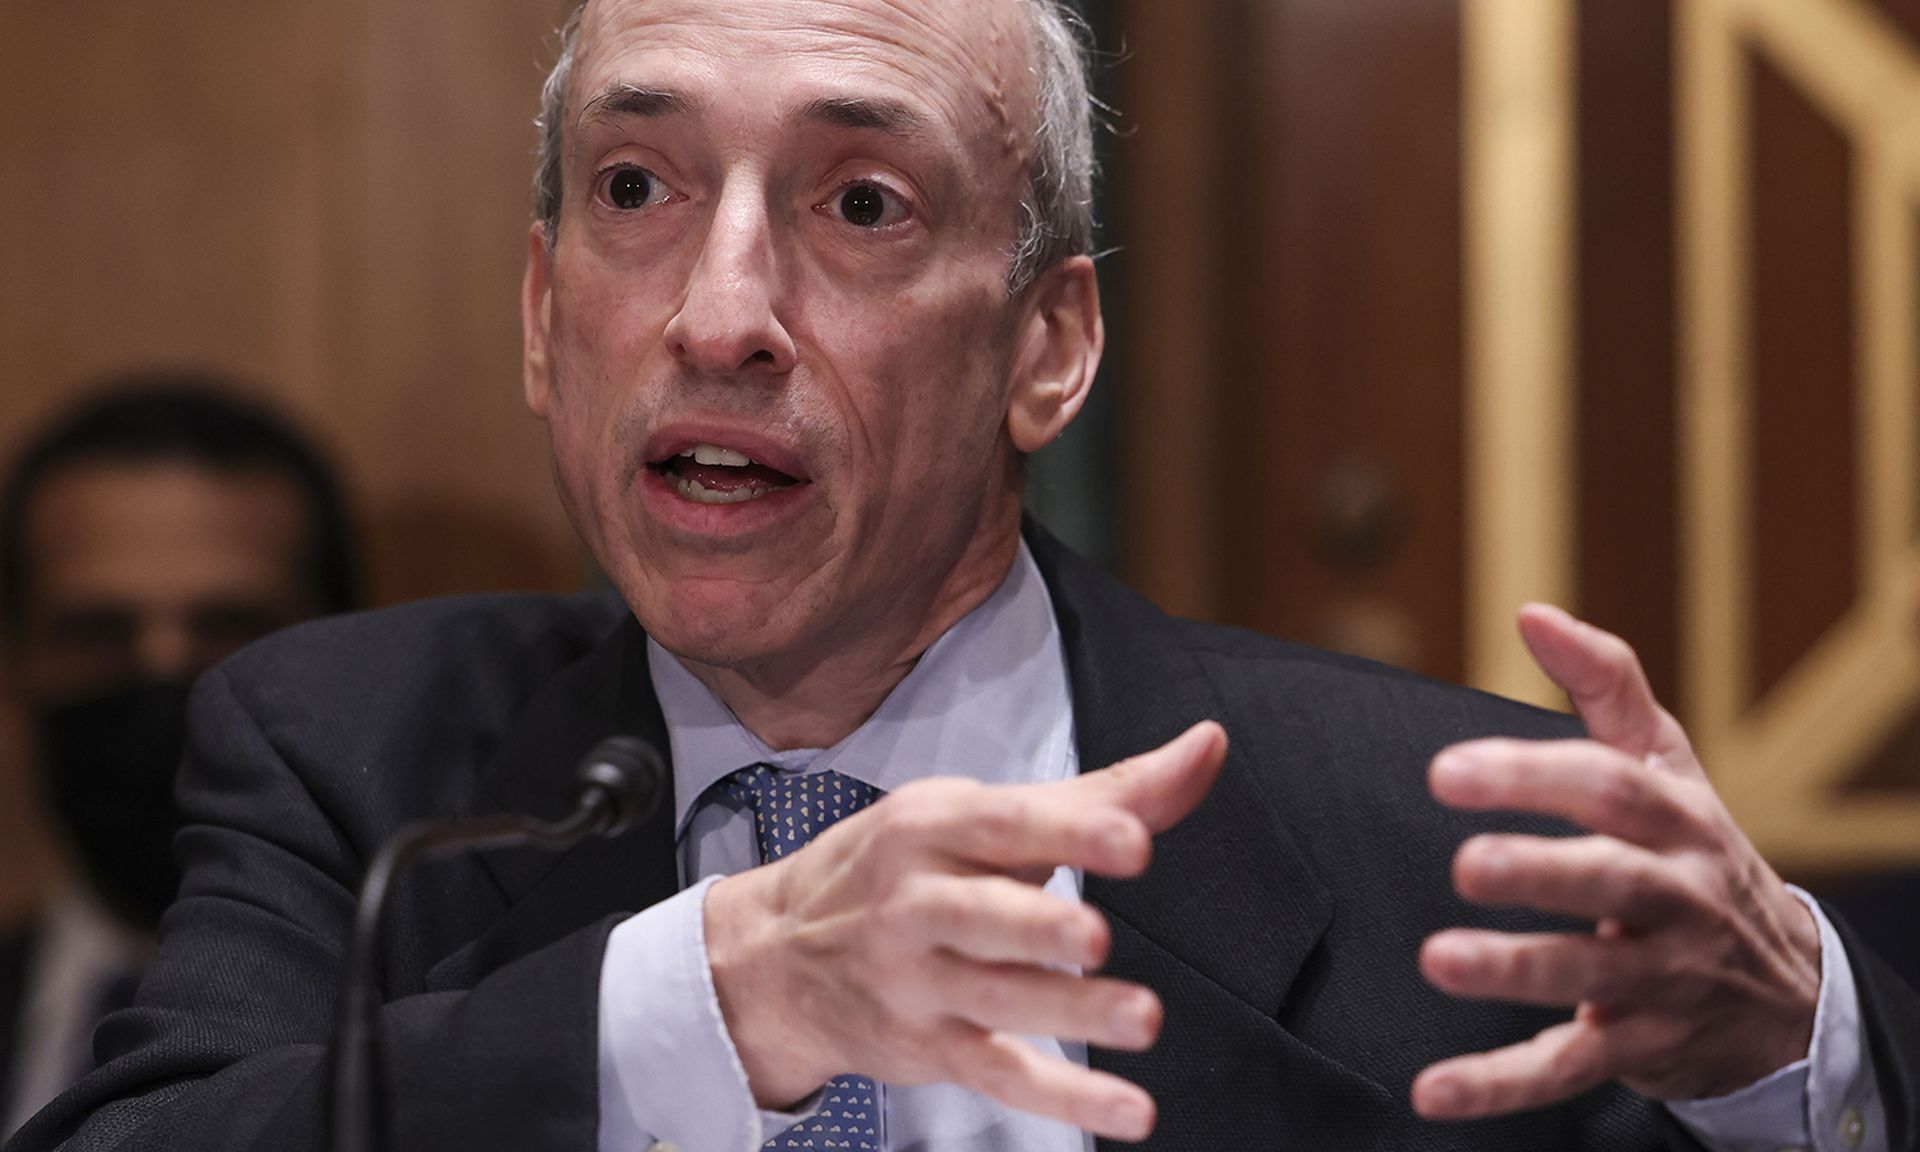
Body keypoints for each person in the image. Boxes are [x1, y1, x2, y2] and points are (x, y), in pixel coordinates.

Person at [11, 2, 1919, 1149]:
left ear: (1049, 348)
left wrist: (1789, 1061)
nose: (719, 311)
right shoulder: (360, 763)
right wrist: (720, 987)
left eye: (859, 204)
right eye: (635, 190)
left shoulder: (1430, 837)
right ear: (541, 317)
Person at [0, 381, 359, 1140]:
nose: (165, 676)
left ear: (344, 645)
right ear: (19, 661)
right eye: (97, 634)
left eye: (229, 630)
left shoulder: (432, 1031)